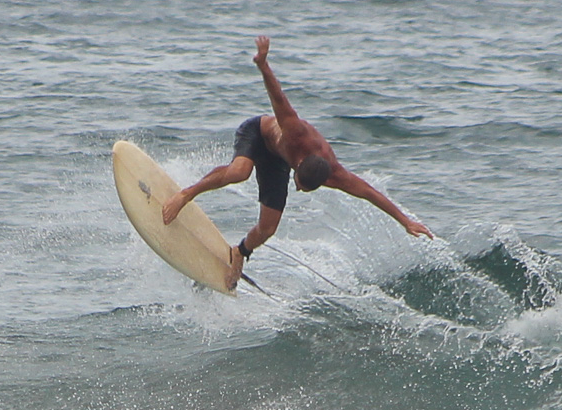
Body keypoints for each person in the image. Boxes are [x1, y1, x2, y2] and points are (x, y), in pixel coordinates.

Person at [162, 35, 433, 289]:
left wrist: (405, 221)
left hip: (277, 161)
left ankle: (240, 251)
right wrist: (263, 64)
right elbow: (278, 96)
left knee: (267, 228)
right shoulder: (295, 132)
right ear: (300, 163)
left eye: (303, 188)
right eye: (300, 184)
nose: (299, 190)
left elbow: (370, 193)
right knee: (240, 171)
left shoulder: (334, 173)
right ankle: (185, 195)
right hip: (257, 134)